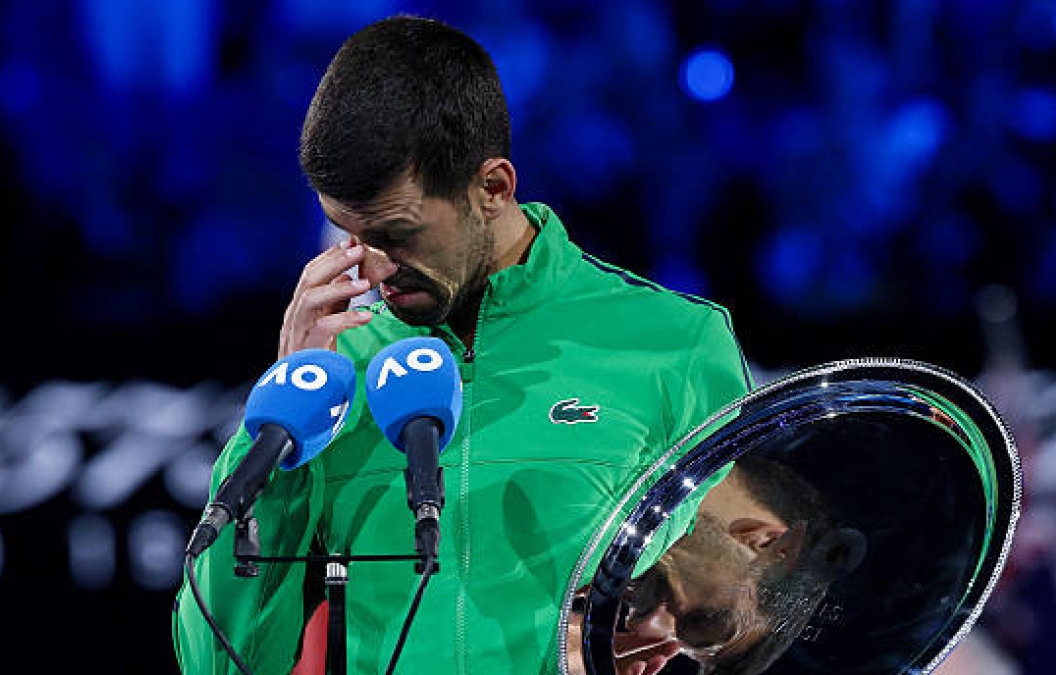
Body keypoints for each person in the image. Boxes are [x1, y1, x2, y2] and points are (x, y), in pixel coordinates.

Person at [173, 15, 752, 675]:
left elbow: (746, 616)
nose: (370, 269)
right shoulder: (340, 370)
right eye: (348, 233)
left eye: (398, 233)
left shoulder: (677, 345)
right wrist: (279, 423)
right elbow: (220, 663)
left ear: (493, 188)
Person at [569, 457, 864, 675]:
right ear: (770, 546)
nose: (641, 628)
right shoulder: (696, 385)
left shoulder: (566, 573)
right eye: (706, 621)